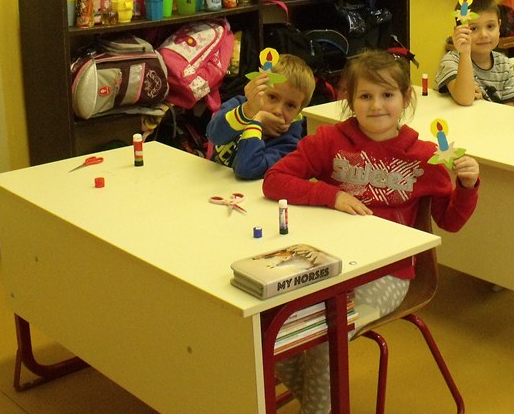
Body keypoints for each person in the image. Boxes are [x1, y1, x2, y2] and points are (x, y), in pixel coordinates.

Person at [264, 50, 480, 414]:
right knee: (274, 330)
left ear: (406, 98)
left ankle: (319, 408)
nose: (376, 106)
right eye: (365, 96)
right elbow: (275, 180)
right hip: (327, 266)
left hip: (387, 275)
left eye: (387, 95)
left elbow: (451, 221)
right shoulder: (330, 140)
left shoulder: (425, 156)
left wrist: (468, 186)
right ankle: (325, 404)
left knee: (326, 336)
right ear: (350, 101)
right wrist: (331, 195)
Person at [206, 53, 315, 181]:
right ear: (258, 89)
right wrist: (248, 111)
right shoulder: (241, 105)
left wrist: (257, 121)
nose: (278, 111)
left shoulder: (288, 143)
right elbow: (214, 135)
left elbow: (247, 170)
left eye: (290, 105)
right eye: (272, 97)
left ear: (298, 112)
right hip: (209, 182)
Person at [435, 0, 514, 106]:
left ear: (499, 25)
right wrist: (465, 52)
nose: (484, 35)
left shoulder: (504, 64)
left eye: (490, 26)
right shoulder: (451, 61)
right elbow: (465, 99)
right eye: (474, 29)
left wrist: (484, 103)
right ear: (460, 32)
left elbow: (510, 109)